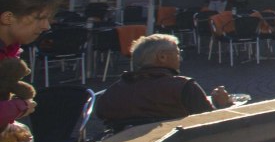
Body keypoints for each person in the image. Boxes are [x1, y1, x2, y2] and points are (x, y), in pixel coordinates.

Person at [95, 34, 233, 132]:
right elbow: (213, 126)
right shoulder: (183, 87)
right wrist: (223, 104)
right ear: (162, 57)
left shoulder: (114, 91)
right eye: (178, 53)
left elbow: (101, 114)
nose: (180, 58)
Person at [0, 0, 53, 142]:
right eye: (40, 18)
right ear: (8, 18)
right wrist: (21, 106)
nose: (46, 26)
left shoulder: (9, 52)